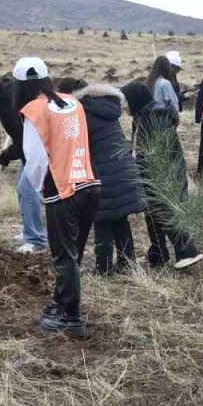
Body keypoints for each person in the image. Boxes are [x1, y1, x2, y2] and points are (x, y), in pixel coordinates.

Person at [14, 57, 101, 337]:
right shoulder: (73, 102)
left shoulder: (34, 110)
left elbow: (35, 159)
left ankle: (71, 318)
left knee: (65, 257)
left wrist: (40, 188)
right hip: (89, 183)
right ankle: (60, 302)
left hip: (63, 190)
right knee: (73, 254)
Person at [57, 78, 147, 276]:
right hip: (122, 168)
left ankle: (103, 268)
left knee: (102, 219)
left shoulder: (81, 113)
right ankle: (128, 264)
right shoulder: (104, 105)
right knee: (120, 219)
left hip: (105, 172)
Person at [124, 61, 203, 270]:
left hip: (163, 176)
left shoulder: (154, 120)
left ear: (136, 101)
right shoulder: (147, 116)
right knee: (152, 213)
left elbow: (154, 154)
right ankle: (158, 254)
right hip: (158, 176)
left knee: (163, 211)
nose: (125, 106)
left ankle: (187, 251)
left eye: (127, 102)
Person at [0, 66, 47, 253]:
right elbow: (21, 136)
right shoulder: (5, 95)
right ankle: (30, 229)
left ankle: (36, 240)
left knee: (26, 189)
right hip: (30, 147)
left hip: (38, 147)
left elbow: (23, 141)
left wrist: (7, 155)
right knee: (23, 190)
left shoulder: (8, 105)